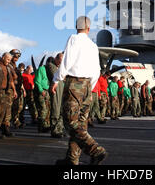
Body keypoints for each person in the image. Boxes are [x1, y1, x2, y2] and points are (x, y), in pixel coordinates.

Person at [51, 16, 107, 165]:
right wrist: (90, 85)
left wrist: (57, 79)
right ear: (88, 28)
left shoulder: (73, 39)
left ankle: (95, 150)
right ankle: (72, 159)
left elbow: (66, 61)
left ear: (77, 27)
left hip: (74, 84)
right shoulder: (93, 46)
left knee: (70, 122)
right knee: (81, 124)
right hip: (88, 85)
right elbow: (97, 70)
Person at [49, 53, 66, 138]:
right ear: (56, 59)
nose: (60, 63)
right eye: (60, 61)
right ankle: (55, 130)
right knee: (55, 111)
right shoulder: (51, 66)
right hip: (55, 91)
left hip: (61, 90)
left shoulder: (58, 67)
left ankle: (59, 129)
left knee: (61, 111)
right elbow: (57, 76)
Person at [35, 57, 52, 133]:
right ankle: (40, 126)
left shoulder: (51, 70)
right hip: (42, 91)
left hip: (48, 91)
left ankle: (46, 125)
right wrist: (41, 90)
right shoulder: (42, 69)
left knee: (48, 109)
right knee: (43, 109)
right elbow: (37, 80)